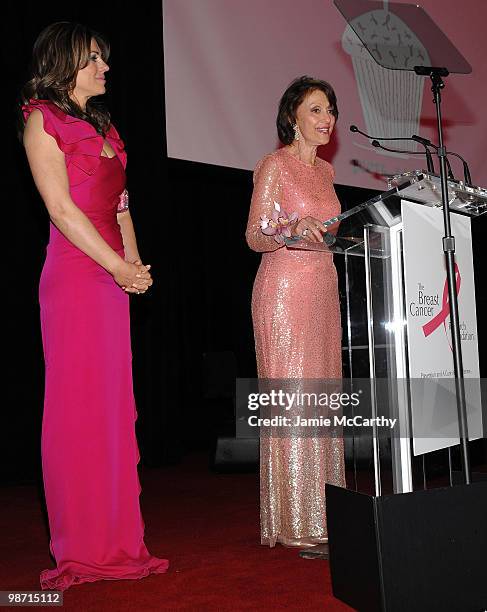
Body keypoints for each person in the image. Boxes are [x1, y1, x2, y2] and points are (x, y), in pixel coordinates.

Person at [20, 22, 168, 590]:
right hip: (77, 276)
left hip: (110, 276)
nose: (106, 68)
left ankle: (118, 541)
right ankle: (81, 546)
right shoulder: (42, 120)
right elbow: (59, 208)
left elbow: (122, 206)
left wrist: (134, 268)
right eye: (94, 60)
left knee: (110, 408)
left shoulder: (105, 126)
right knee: (75, 409)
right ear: (66, 64)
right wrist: (114, 265)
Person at [246, 76, 346, 548]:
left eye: (330, 111)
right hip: (284, 288)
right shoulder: (274, 165)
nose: (327, 119)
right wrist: (289, 223)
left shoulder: (325, 173)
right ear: (292, 117)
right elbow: (254, 235)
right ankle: (295, 522)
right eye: (316, 110)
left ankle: (325, 514)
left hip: (323, 284)